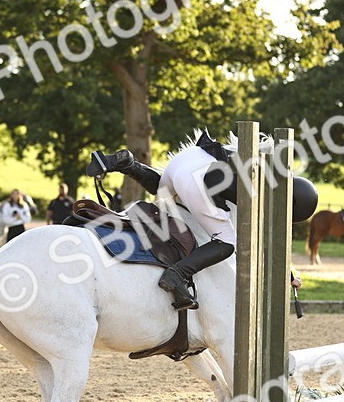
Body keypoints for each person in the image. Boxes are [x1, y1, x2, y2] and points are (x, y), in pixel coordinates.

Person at [86, 129, 317, 310]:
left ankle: (128, 164)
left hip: (187, 159)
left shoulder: (264, 168)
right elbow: (265, 240)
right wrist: (289, 276)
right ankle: (177, 274)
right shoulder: (267, 195)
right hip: (202, 178)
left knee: (161, 189)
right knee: (227, 243)